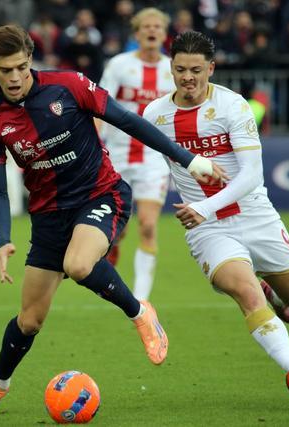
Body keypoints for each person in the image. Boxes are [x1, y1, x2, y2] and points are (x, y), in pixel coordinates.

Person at [0, 24, 225, 416]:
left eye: (21, 67)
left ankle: (140, 312)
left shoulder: (68, 86)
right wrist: (2, 240)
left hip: (101, 195)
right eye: (5, 70)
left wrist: (188, 160)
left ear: (31, 59)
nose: (15, 77)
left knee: (79, 264)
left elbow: (129, 121)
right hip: (48, 217)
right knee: (30, 320)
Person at [142, 31, 289, 403]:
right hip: (207, 228)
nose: (188, 78)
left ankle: (274, 292)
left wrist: (204, 206)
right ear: (171, 68)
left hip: (254, 214)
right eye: (180, 70)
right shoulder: (155, 115)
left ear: (211, 68)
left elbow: (251, 175)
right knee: (245, 292)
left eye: (196, 70)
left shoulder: (232, 106)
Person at [98, 7, 173, 301]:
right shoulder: (119, 65)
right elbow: (99, 105)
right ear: (137, 33)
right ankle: (114, 245)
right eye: (146, 26)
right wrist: (95, 141)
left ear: (164, 34)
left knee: (149, 225)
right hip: (117, 156)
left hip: (154, 159)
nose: (152, 30)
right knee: (118, 229)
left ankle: (141, 300)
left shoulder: (173, 69)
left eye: (157, 26)